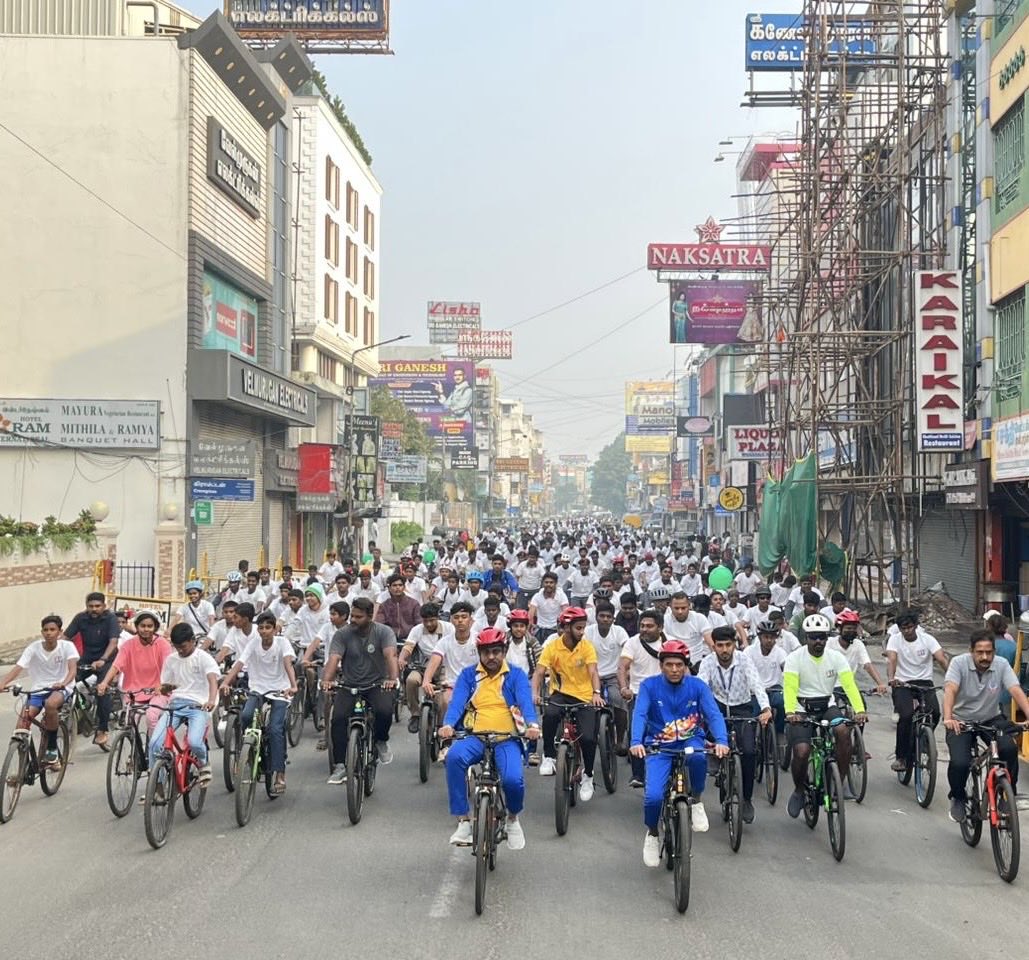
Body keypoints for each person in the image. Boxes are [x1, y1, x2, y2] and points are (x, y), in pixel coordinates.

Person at [439, 627, 541, 849]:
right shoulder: (468, 675)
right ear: (479, 653)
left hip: (507, 739)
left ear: (504, 651)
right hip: (476, 737)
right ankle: (463, 821)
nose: (491, 657)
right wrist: (448, 724)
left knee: (513, 780)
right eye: (486, 652)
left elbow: (525, 702)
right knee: (454, 757)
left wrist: (532, 725)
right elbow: (457, 702)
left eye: (496, 652)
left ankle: (513, 819)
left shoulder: (516, 675)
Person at [630, 640, 729, 864]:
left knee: (697, 757)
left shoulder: (698, 686)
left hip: (689, 740)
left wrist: (721, 741)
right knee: (653, 797)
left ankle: (697, 801)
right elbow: (640, 714)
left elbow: (713, 714)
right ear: (661, 666)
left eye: (679, 665)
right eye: (669, 665)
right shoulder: (649, 686)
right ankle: (652, 834)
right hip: (659, 745)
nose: (674, 669)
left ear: (685, 666)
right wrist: (636, 741)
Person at [783, 614, 866, 819]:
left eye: (822, 637)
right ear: (806, 638)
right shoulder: (795, 658)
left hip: (826, 705)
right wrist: (790, 712)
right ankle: (799, 790)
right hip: (801, 708)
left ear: (827, 638)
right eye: (813, 637)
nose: (818, 641)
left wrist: (859, 710)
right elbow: (790, 687)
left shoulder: (836, 657)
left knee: (843, 731)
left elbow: (849, 685)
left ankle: (838, 782)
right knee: (802, 751)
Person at [943, 628, 1029, 823]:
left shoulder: (1001, 664)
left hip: (991, 718)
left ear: (994, 652)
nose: (984, 657)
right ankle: (958, 797)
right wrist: (948, 718)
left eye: (988, 652)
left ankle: (1008, 794)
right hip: (961, 720)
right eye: (980, 652)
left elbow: (1015, 690)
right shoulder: (958, 663)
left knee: (1008, 748)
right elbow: (950, 690)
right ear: (971, 651)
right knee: (960, 763)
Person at [698, 625, 771, 823]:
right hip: (717, 707)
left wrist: (765, 709)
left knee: (749, 752)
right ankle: (715, 758)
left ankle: (746, 799)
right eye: (720, 645)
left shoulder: (744, 660)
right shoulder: (707, 662)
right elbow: (701, 687)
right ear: (714, 646)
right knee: (707, 726)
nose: (724, 650)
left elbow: (757, 684)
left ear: (734, 645)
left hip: (742, 707)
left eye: (728, 645)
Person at [323, 597, 399, 785]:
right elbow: (334, 658)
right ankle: (340, 765)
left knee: (384, 711)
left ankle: (380, 740)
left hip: (377, 684)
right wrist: (327, 681)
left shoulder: (383, 632)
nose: (354, 620)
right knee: (338, 718)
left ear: (370, 616)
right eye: (353, 616)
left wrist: (392, 679)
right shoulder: (342, 634)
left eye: (359, 617)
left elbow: (390, 656)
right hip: (349, 685)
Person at [531, 607, 605, 801]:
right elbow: (539, 672)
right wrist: (535, 693)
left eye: (583, 628)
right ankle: (549, 756)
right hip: (560, 694)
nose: (582, 632)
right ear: (566, 628)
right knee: (550, 715)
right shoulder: (552, 647)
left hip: (584, 697)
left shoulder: (586, 647)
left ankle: (588, 775)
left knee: (588, 738)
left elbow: (593, 672)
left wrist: (596, 693)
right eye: (578, 628)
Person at [220, 611, 297, 795]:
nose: (264, 631)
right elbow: (239, 663)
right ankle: (249, 752)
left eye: (268, 627)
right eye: (261, 628)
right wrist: (225, 682)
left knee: (275, 729)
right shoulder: (254, 643)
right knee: (246, 716)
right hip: (257, 688)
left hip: (280, 690)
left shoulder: (282, 643)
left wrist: (293, 685)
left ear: (274, 629)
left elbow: (288, 664)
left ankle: (279, 773)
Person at [0, 615, 79, 764]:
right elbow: (18, 668)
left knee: (50, 704)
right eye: (45, 630)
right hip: (38, 689)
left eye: (52, 630)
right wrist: (3, 682)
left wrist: (63, 683)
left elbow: (72, 670)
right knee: (22, 724)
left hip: (61, 688)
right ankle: (23, 767)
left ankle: (52, 747)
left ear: (60, 632)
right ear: (42, 632)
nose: (49, 633)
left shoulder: (67, 647)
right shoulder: (33, 647)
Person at [149, 623, 219, 784]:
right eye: (176, 647)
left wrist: (210, 700)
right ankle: (157, 785)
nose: (180, 650)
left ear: (193, 641)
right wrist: (162, 689)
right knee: (154, 744)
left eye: (183, 646)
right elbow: (166, 685)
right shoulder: (171, 660)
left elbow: (212, 681)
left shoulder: (203, 658)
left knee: (194, 742)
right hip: (176, 705)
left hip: (198, 705)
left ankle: (204, 762)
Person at [885, 608, 948, 773]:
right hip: (902, 683)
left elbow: (941, 659)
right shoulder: (895, 640)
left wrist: (951, 679)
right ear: (899, 629)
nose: (907, 631)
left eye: (910, 627)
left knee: (935, 713)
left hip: (924, 682)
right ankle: (901, 757)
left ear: (916, 625)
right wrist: (891, 678)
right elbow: (892, 659)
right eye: (903, 628)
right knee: (905, 716)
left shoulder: (927, 639)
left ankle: (925, 741)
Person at [61, 591, 119, 750]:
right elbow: (65, 638)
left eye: (97, 606)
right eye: (91, 606)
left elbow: (113, 642)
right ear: (86, 606)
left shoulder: (110, 619)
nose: (94, 609)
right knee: (65, 682)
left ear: (104, 606)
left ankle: (102, 729)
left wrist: (103, 659)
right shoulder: (81, 618)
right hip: (86, 659)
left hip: (107, 660)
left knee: (102, 691)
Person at [98, 610, 172, 732]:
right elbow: (116, 665)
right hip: (134, 691)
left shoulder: (163, 644)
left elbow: (168, 668)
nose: (146, 629)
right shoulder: (128, 645)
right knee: (130, 721)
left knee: (151, 717)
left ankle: (154, 744)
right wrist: (104, 682)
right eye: (142, 626)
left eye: (150, 626)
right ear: (137, 626)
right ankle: (134, 743)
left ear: (155, 628)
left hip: (157, 691)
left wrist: (163, 685)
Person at [397, 603, 454, 733]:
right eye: (425, 621)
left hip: (444, 667)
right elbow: (408, 646)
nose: (428, 624)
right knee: (411, 680)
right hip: (422, 665)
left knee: (443, 701)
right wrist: (402, 658)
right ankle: (415, 714)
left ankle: (442, 725)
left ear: (438, 617)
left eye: (432, 620)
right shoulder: (417, 629)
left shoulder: (449, 628)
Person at [586, 599, 630, 755]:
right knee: (585, 706)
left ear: (613, 618)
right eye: (602, 616)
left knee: (618, 700)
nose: (605, 619)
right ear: (596, 617)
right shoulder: (588, 632)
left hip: (613, 676)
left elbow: (627, 649)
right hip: (592, 675)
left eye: (608, 616)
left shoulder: (619, 632)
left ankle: (620, 740)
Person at [744, 620, 788, 738]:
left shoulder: (780, 652)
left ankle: (779, 731)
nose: (769, 640)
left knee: (782, 702)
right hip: (755, 690)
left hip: (774, 688)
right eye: (766, 637)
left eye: (772, 637)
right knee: (753, 713)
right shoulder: (749, 652)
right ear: (759, 637)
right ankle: (754, 738)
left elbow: (786, 670)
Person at [828, 610, 887, 695]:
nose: (851, 631)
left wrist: (880, 684)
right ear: (840, 629)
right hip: (829, 687)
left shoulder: (858, 644)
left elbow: (867, 665)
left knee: (860, 703)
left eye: (854, 628)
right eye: (848, 628)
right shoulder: (829, 643)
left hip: (849, 686)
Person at [663, 592, 712, 668]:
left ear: (689, 606)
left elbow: (710, 642)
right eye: (676, 608)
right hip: (674, 664)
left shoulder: (699, 618)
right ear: (670, 607)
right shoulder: (664, 620)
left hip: (697, 664)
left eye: (683, 608)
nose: (680, 611)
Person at [374, 573, 422, 642]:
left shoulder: (414, 604)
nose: (397, 587)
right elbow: (379, 625)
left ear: (404, 587)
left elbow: (419, 625)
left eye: (400, 585)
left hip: (411, 640)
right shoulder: (384, 605)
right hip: (390, 640)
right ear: (389, 588)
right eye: (394, 585)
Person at [529, 571, 569, 644]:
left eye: (551, 582)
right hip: (541, 630)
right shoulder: (537, 596)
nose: (548, 585)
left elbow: (566, 612)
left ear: (555, 584)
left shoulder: (562, 595)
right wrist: (530, 628)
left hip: (556, 630)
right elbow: (530, 614)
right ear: (543, 583)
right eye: (546, 582)